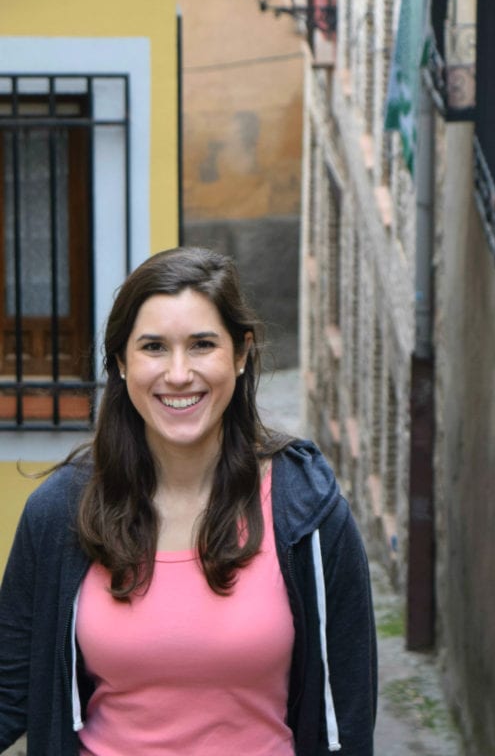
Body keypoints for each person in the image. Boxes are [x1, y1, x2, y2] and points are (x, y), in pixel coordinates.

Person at [0, 246, 377, 756]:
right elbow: (9, 694)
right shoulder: (59, 512)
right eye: (153, 347)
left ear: (241, 355)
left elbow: (346, 721)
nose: (178, 374)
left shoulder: (307, 512)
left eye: (202, 344)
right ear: (120, 362)